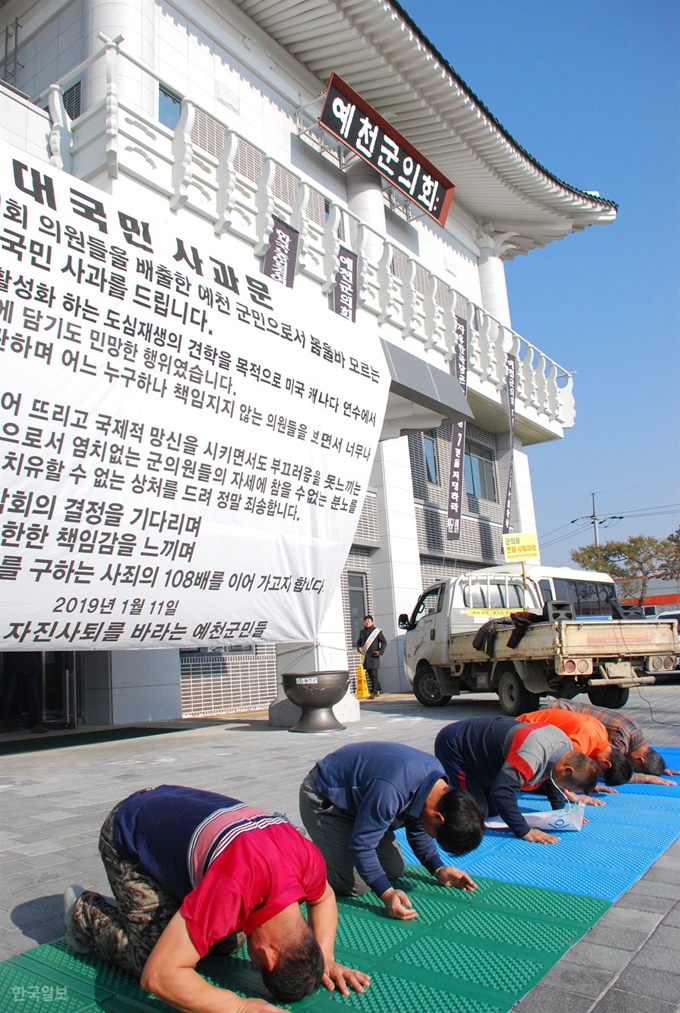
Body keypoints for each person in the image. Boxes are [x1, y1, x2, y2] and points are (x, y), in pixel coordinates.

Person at [64, 785, 369, 1013]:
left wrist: (326, 958)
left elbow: (324, 897)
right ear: (267, 955)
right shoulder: (233, 888)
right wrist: (239, 1007)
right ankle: (83, 912)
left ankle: (170, 909)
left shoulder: (307, 860)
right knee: (148, 958)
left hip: (170, 811)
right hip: (128, 830)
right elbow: (158, 976)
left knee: (225, 941)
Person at [299, 741, 485, 921]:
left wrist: (438, 868)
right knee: (355, 885)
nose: (432, 836)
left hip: (362, 804)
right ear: (438, 818)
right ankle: (299, 860)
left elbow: (418, 827)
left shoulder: (438, 787)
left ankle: (337, 844)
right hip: (325, 798)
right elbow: (362, 846)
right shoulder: (392, 790)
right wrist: (387, 894)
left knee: (393, 869)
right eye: (436, 836)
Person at [434, 717, 599, 845]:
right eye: (565, 787)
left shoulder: (565, 749)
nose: (562, 789)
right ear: (567, 770)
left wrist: (561, 814)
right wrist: (524, 831)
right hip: (456, 745)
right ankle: (433, 806)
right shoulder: (531, 755)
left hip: (485, 756)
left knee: (492, 812)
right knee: (473, 815)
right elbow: (502, 793)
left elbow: (551, 778)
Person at [546, 699, 679, 785]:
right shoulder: (619, 742)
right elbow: (613, 770)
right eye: (635, 768)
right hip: (554, 714)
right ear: (640, 760)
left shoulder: (635, 732)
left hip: (564, 708)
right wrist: (646, 778)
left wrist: (660, 768)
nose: (632, 769)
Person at [516, 708, 632, 788]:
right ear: (606, 763)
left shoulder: (602, 733)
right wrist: (572, 795)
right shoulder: (582, 746)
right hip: (522, 731)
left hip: (531, 728)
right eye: (598, 773)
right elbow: (559, 769)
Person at [356, 616, 386, 699]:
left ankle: (374, 692)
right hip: (366, 656)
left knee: (374, 674)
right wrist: (359, 648)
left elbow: (384, 642)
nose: (367, 622)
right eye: (365, 621)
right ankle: (379, 688)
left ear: (372, 622)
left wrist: (380, 651)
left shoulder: (376, 631)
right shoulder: (362, 632)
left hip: (374, 655)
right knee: (370, 675)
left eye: (368, 621)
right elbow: (358, 643)